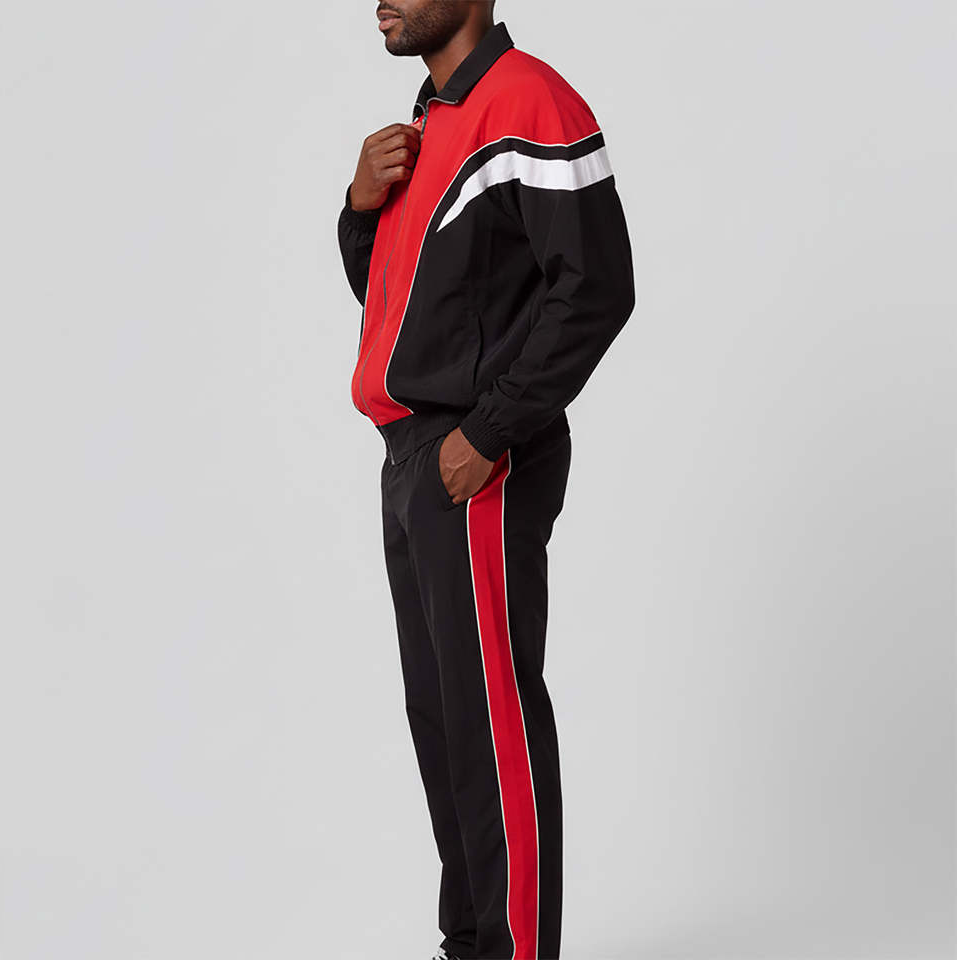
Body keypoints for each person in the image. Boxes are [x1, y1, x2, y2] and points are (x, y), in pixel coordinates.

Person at [336, 4, 635, 958]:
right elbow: (404, 306)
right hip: (412, 458)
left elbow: (598, 286)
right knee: (444, 721)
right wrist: (358, 210)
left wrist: (487, 432)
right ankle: (469, 944)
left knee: (491, 719)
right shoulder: (430, 120)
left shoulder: (527, 99)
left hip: (476, 457)